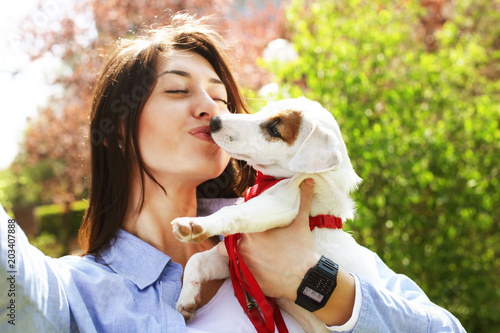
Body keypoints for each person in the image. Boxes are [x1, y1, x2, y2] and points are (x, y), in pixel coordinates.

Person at [0, 13, 465, 333]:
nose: (210, 107)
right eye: (178, 90)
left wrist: (315, 281)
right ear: (119, 130)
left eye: (221, 97)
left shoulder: (299, 232)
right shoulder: (77, 294)